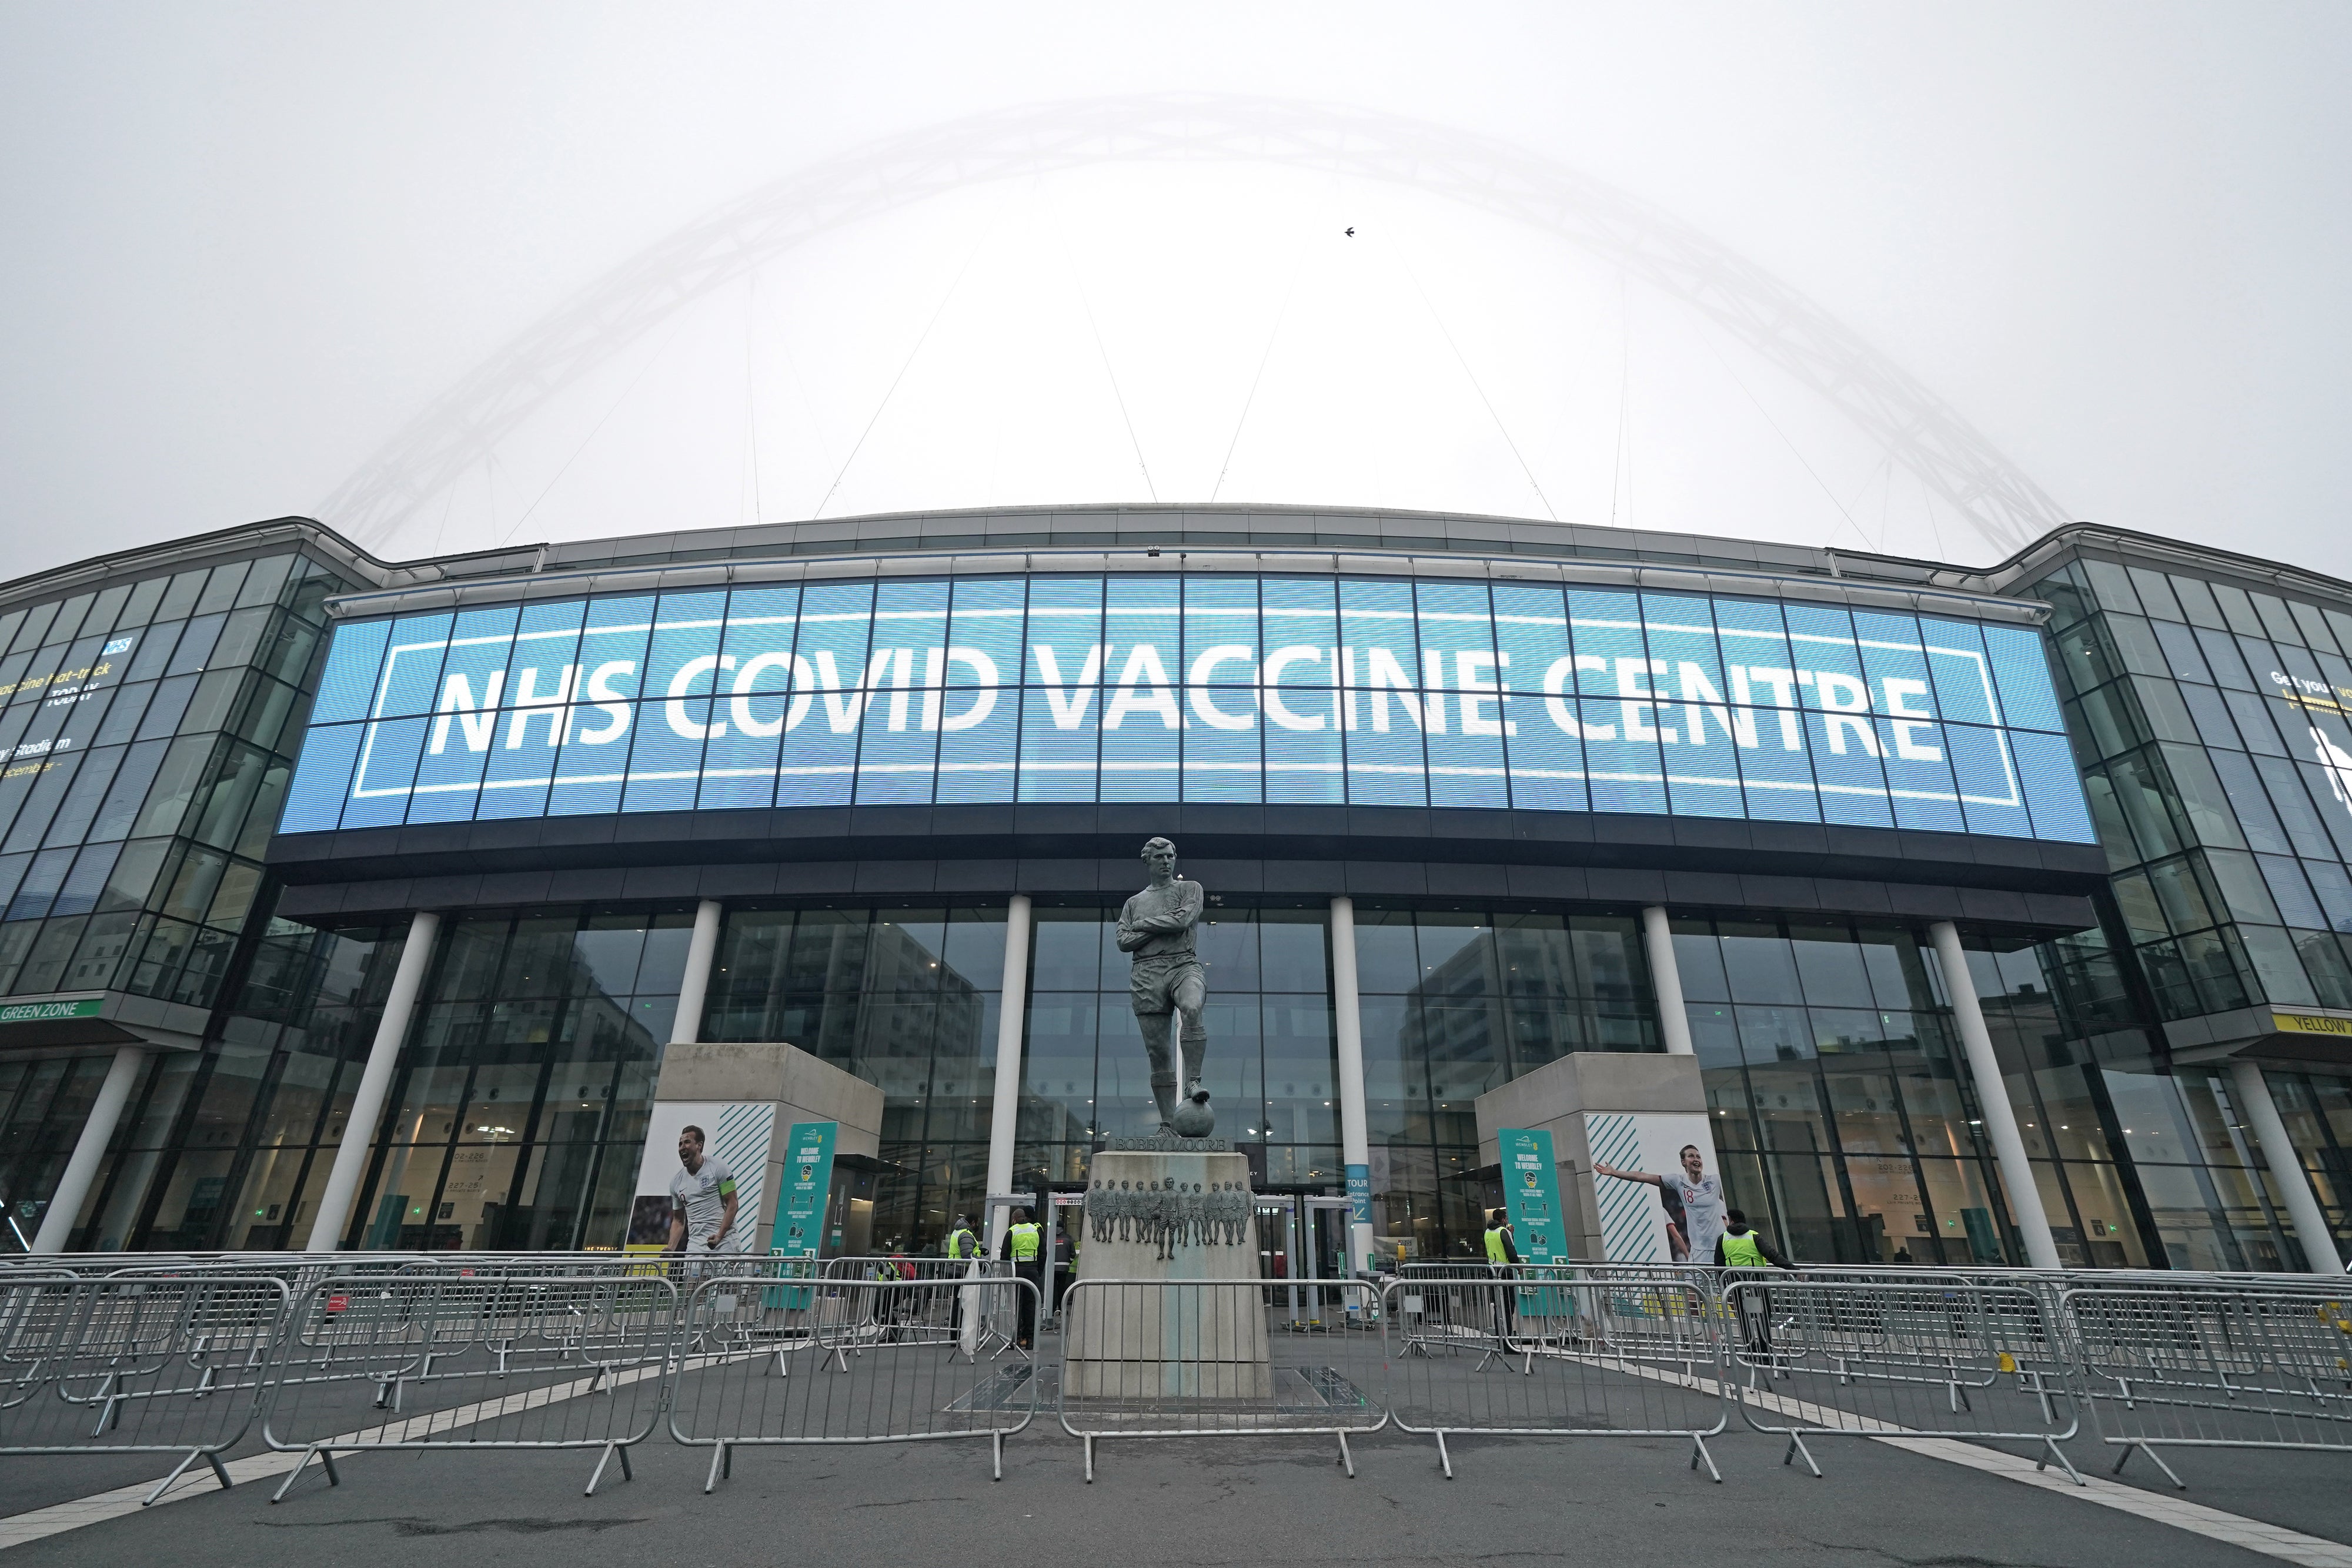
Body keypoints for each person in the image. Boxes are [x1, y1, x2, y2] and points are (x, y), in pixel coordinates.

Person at [1593, 1144, 1725, 1264]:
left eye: (1698, 1157)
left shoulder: (1715, 1181)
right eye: (1691, 1156)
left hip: (1721, 1246)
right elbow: (1642, 1177)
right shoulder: (1678, 1181)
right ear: (1684, 1162)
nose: (1696, 1159)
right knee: (1693, 1289)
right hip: (1699, 1250)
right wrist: (1615, 1173)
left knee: (1729, 1287)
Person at [1713, 1208, 1796, 1356]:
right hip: (1758, 1281)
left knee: (1743, 1316)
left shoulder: (1723, 1238)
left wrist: (1723, 1288)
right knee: (1763, 1315)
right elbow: (1772, 1255)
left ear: (1731, 1220)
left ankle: (1750, 1350)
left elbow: (1718, 1265)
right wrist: (1792, 1269)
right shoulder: (1754, 1236)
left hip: (1735, 1283)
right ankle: (1766, 1351)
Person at [667, 1124, 738, 1259]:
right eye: (680, 1144)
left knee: (722, 1281)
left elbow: (733, 1204)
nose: (682, 1147)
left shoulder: (719, 1167)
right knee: (692, 1281)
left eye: (687, 1142)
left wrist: (719, 1236)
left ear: (699, 1145)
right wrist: (671, 1247)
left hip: (725, 1241)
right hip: (696, 1245)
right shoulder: (676, 1182)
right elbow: (678, 1220)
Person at [1000, 1206, 1043, 1349]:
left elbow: (1005, 1255)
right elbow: (1043, 1253)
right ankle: (1030, 1340)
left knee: (1016, 1305)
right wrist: (1038, 1271)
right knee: (1030, 1305)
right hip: (1033, 1270)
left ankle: (1016, 1339)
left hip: (1016, 1271)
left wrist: (1006, 1275)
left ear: (1014, 1219)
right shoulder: (1035, 1230)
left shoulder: (1012, 1232)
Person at [1482, 1207, 1521, 1338]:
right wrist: (1519, 1267)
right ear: (1503, 1219)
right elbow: (1511, 1251)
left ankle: (1500, 1337)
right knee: (1509, 1306)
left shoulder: (1487, 1232)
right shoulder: (1503, 1232)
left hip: (1492, 1271)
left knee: (1498, 1306)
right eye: (1506, 1219)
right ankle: (1507, 1339)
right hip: (1504, 1272)